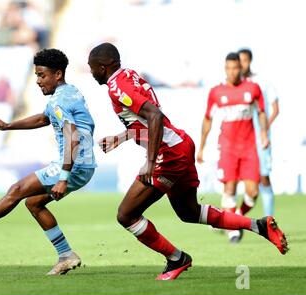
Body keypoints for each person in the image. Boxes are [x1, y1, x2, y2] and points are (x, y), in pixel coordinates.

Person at [87, 43, 288, 281]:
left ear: (103, 67)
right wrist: (121, 137)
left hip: (168, 152)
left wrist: (150, 163)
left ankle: (176, 258)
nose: (91, 73)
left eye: (92, 68)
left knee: (126, 215)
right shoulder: (129, 76)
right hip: (180, 143)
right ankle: (260, 226)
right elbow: (145, 117)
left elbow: (155, 116)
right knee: (189, 212)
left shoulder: (116, 87)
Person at [0, 48, 97, 276]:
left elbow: (71, 135)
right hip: (84, 164)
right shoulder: (71, 93)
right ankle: (66, 255)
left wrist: (63, 178)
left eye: (42, 75)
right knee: (33, 202)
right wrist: (8, 125)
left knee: (16, 190)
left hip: (73, 164)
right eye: (36, 75)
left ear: (58, 74)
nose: (37, 81)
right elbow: (45, 118)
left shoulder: (58, 102)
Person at [197, 52, 270, 243]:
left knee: (253, 192)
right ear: (225, 69)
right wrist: (202, 147)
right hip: (227, 147)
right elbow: (207, 119)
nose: (232, 72)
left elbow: (262, 113)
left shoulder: (253, 89)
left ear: (241, 67)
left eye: (235, 68)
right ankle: (234, 229)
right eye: (228, 68)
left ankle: (236, 214)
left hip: (248, 147)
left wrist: (263, 133)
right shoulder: (216, 92)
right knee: (229, 188)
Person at [238, 48, 279, 218]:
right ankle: (234, 220)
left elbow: (275, 109)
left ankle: (269, 220)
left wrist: (264, 130)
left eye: (245, 60)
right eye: (239, 61)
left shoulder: (262, 82)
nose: (242, 64)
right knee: (240, 182)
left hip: (260, 139)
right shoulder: (234, 85)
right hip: (241, 140)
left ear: (250, 61)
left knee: (263, 178)